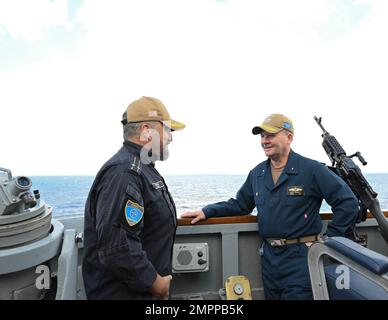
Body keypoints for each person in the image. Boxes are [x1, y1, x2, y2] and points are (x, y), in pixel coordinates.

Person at [181, 113, 359, 300]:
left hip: (302, 259)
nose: (265, 141)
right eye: (262, 136)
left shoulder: (311, 169)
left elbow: (347, 202)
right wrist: (206, 211)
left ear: (289, 137)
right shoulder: (258, 173)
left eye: (270, 135)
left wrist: (331, 239)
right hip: (269, 259)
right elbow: (240, 205)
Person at [82, 96, 185, 299]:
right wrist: (156, 284)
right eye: (167, 130)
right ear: (146, 130)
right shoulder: (124, 173)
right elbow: (117, 246)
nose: (170, 138)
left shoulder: (142, 168)